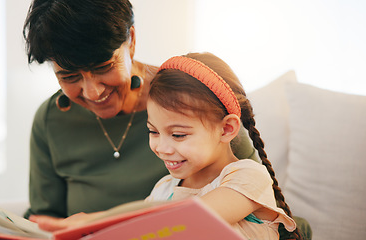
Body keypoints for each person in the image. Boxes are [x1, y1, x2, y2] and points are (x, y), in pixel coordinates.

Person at [22, 0, 258, 220]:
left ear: (131, 41)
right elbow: (45, 219)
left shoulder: (195, 98)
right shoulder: (49, 120)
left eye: (104, 67)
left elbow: (256, 194)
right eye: (70, 76)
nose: (92, 92)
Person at [31, 52, 302, 240]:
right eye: (152, 131)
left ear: (227, 128)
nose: (162, 147)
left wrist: (94, 221)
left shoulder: (247, 177)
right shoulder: (165, 190)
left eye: (179, 135)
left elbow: (184, 223)